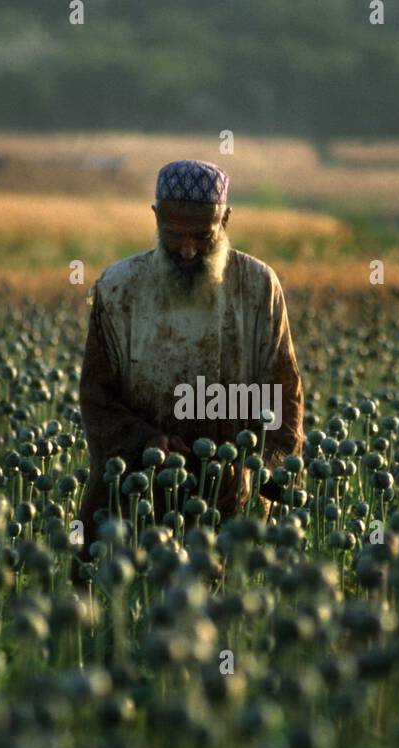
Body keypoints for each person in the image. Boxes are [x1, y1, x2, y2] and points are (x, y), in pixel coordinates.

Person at [77, 159, 304, 555]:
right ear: (155, 217)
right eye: (174, 235)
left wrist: (258, 470)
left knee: (224, 608)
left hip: (231, 507)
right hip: (132, 502)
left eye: (202, 236)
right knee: (113, 604)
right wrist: (147, 443)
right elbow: (97, 398)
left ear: (226, 219)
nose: (186, 249)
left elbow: (283, 396)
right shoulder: (118, 290)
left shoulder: (258, 287)